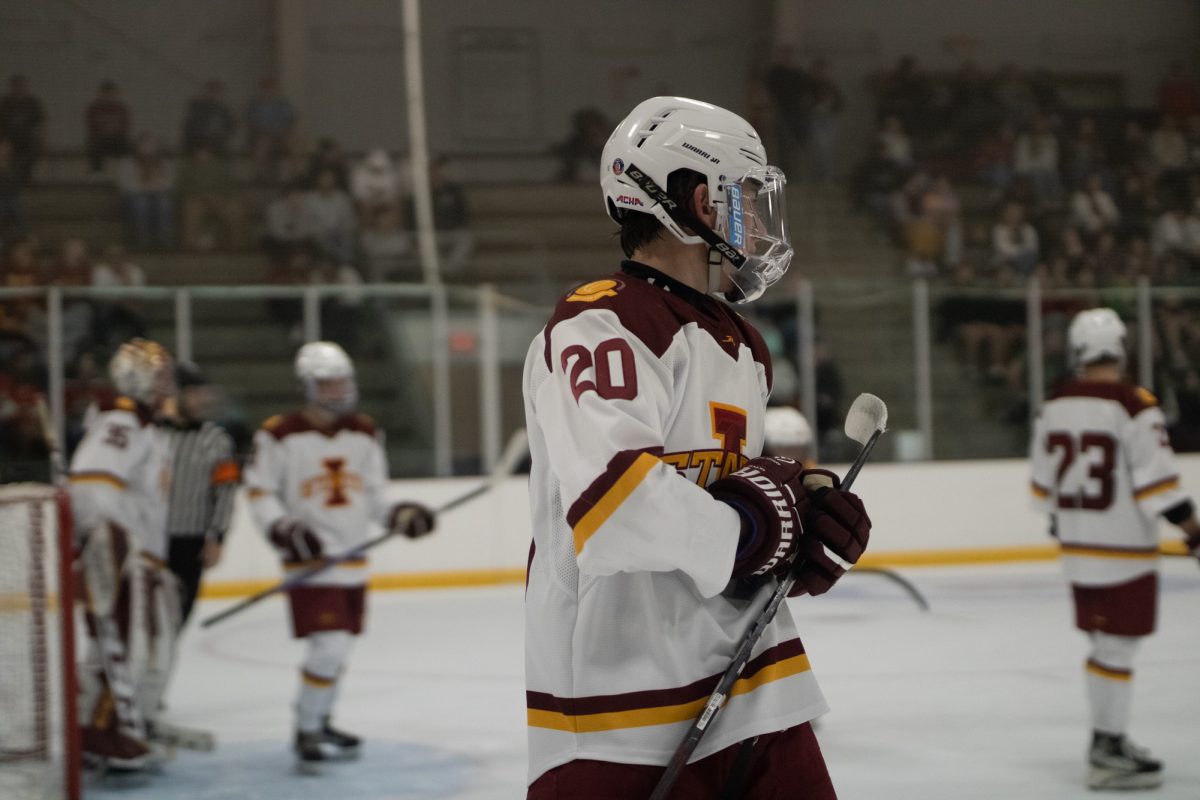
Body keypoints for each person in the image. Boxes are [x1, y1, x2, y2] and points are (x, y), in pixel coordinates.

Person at [522, 96, 872, 799]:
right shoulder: (602, 323)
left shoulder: (741, 342)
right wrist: (754, 530)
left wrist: (800, 516)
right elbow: (615, 510)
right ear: (702, 201)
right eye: (745, 195)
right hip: (621, 702)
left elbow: (726, 494)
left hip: (757, 684)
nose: (756, 217)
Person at [241, 341, 437, 773]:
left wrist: (399, 515)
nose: (338, 390)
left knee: (339, 649)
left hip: (352, 559)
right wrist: (284, 529)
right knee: (328, 647)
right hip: (310, 561)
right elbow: (259, 492)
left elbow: (373, 496)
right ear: (307, 385)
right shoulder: (278, 434)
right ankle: (307, 726)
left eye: (343, 381)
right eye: (328, 382)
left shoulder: (365, 431)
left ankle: (322, 719)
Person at [1029, 308, 1200, 791]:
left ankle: (1110, 741)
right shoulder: (1134, 404)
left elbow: (1044, 489)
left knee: (1108, 646)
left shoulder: (1053, 403)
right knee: (1118, 647)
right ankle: (1107, 747)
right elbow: (1159, 488)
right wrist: (1195, 532)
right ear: (1121, 347)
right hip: (1124, 552)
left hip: (1078, 550)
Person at [68, 339, 178, 769]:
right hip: (124, 555)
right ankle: (106, 737)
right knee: (120, 650)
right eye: (160, 374)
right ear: (136, 378)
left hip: (141, 556)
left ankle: (93, 733)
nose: (168, 384)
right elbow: (91, 484)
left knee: (122, 649)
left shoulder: (147, 427)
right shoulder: (123, 421)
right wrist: (109, 542)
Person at [161, 361, 239, 625]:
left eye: (202, 393)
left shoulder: (217, 441)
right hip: (151, 540)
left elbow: (226, 493)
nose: (201, 400)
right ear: (175, 394)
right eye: (193, 393)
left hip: (190, 544)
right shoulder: (153, 434)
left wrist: (218, 536)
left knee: (177, 620)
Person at [0, 75, 45, 185]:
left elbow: (41, 124)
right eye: (17, 86)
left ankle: (20, 174)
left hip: (27, 139)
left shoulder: (32, 103)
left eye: (22, 86)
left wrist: (43, 139)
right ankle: (11, 175)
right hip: (8, 139)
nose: (19, 88)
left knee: (34, 147)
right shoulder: (5, 103)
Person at [85, 80, 131, 173]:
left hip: (116, 139)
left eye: (111, 92)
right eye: (106, 92)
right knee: (93, 145)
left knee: (128, 146)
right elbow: (90, 127)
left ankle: (126, 172)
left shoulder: (120, 108)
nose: (108, 95)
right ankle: (97, 172)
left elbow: (125, 127)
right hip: (100, 139)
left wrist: (113, 132)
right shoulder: (94, 109)